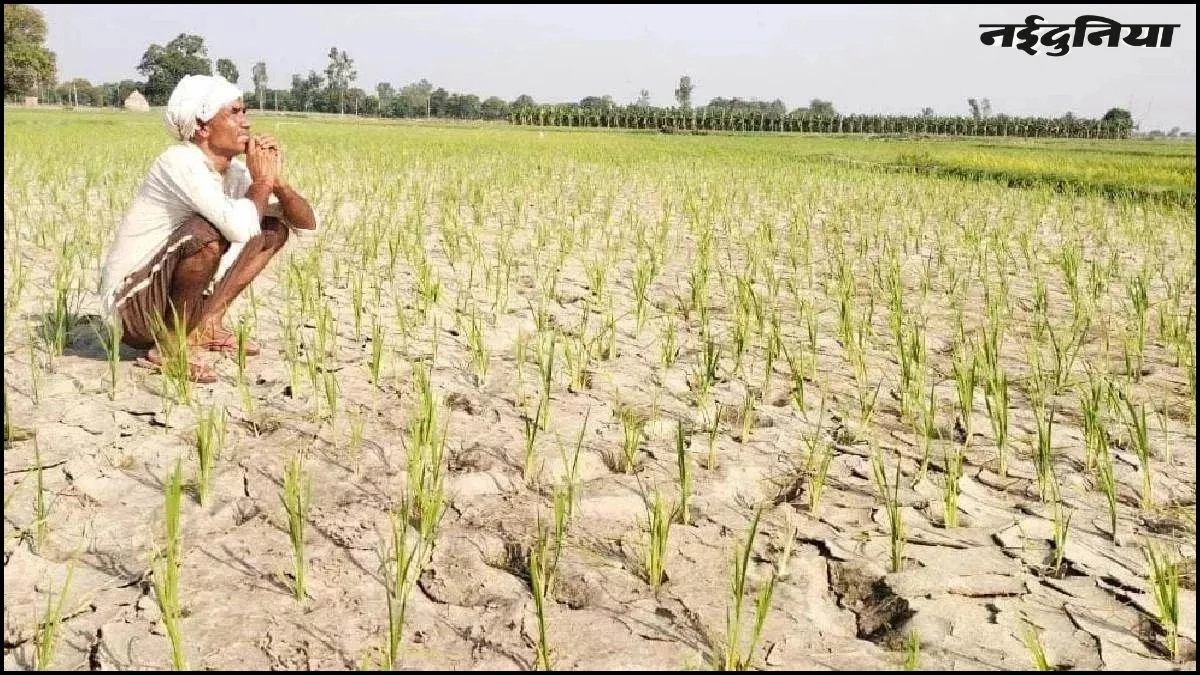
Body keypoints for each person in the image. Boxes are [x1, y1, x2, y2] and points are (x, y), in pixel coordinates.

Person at [97, 74, 318, 383]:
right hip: (131, 306)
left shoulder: (234, 173)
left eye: (245, 112)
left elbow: (306, 225)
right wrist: (263, 183)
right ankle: (170, 348)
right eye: (234, 113)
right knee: (205, 234)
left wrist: (278, 183)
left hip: (157, 295)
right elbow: (239, 227)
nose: (246, 123)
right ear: (202, 127)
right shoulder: (179, 162)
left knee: (272, 228)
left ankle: (205, 326)